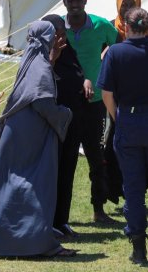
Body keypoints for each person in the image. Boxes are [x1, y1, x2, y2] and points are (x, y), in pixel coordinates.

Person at [0, 21, 75, 257]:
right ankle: (35, 242)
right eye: (53, 36)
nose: (56, 40)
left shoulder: (30, 61)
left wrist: (52, 57)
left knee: (13, 184)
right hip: (31, 134)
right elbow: (42, 101)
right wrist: (64, 114)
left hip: (20, 131)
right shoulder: (40, 67)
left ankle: (2, 240)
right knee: (34, 184)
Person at [97, 7, 148, 264]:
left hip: (129, 120)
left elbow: (107, 93)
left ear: (126, 26)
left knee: (133, 191)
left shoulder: (115, 53)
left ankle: (138, 250)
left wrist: (117, 117)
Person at [61, 0, 118, 223]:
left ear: (86, 0)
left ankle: (99, 210)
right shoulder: (58, 28)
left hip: (95, 103)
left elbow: (118, 51)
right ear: (64, 1)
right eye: (69, 0)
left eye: (78, 0)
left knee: (96, 156)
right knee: (67, 159)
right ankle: (61, 213)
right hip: (67, 104)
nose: (74, 5)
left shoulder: (101, 26)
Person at [104, 0, 148, 206]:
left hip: (143, 95)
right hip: (118, 97)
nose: (127, 8)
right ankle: (124, 193)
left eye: (131, 4)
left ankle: (137, 195)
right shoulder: (110, 27)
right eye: (124, 4)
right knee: (114, 146)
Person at [41, 14, 94, 238]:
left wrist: (85, 80)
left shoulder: (66, 49)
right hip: (52, 124)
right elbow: (40, 81)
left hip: (72, 121)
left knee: (68, 171)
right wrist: (52, 57)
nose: (62, 39)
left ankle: (62, 220)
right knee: (51, 172)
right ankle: (48, 221)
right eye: (57, 35)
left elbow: (75, 70)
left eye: (64, 35)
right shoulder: (40, 54)